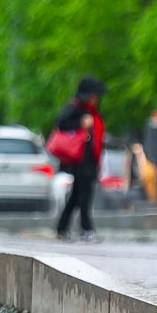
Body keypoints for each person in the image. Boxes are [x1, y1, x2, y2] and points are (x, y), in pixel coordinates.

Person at [55, 76, 107, 244]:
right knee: (84, 195)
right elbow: (61, 123)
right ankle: (86, 229)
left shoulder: (90, 111)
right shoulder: (76, 108)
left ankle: (62, 228)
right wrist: (80, 123)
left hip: (89, 160)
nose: (97, 99)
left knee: (77, 196)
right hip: (80, 160)